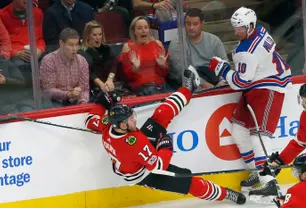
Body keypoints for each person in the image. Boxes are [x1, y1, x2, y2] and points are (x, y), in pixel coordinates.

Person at [85, 66, 246, 205]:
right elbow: (158, 166)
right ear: (122, 125)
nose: (134, 120)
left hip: (135, 160)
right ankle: (226, 194)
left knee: (161, 114)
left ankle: (188, 89)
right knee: (189, 183)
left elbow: (90, 120)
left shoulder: (107, 125)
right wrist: (166, 145)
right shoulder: (135, 143)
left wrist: (104, 99)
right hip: (145, 174)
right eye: (130, 120)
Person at [208, 6, 292, 196]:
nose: (235, 31)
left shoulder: (246, 52)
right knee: (239, 131)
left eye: (240, 28)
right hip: (257, 85)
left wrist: (222, 69)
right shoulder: (261, 31)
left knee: (259, 136)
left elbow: (239, 82)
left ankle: (269, 180)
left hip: (268, 88)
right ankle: (257, 171)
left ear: (251, 26)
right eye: (235, 27)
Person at [168, 8, 227, 90]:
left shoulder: (214, 40)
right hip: (187, 83)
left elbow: (224, 63)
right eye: (188, 24)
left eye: (195, 24)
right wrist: (207, 86)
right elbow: (182, 72)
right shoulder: (177, 43)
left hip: (212, 80)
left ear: (202, 24)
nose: (191, 28)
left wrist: (221, 83)